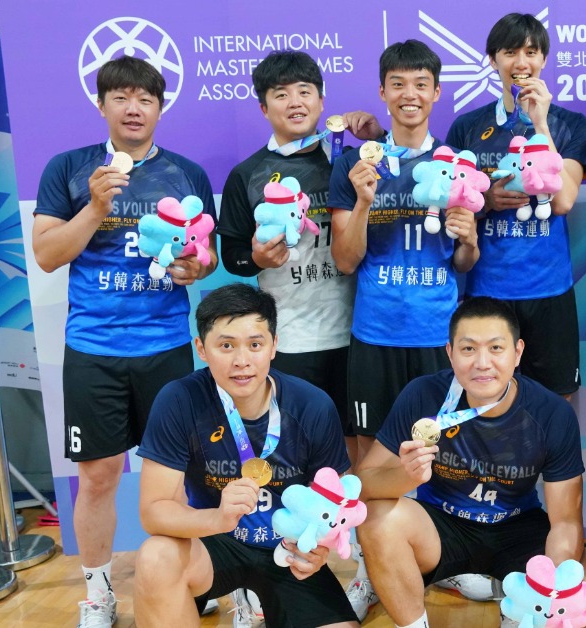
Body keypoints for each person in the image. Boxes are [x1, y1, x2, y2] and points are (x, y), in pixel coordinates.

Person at [31, 55, 216, 627]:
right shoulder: (69, 168)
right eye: (121, 97)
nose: (134, 109)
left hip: (166, 347)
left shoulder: (186, 173)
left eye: (145, 99)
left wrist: (195, 267)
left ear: (160, 107)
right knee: (98, 475)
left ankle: (190, 578)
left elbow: (204, 255)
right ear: (102, 104)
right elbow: (47, 254)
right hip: (94, 349)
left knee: (179, 475)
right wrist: (95, 207)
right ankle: (98, 593)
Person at [216, 49, 370, 621]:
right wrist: (255, 256)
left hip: (355, 334)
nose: (295, 102)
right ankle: (254, 579)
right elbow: (231, 255)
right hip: (288, 341)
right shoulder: (247, 174)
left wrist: (372, 137)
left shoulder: (349, 161)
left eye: (305, 91)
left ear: (322, 100)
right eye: (280, 94)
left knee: (356, 461)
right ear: (264, 107)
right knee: (278, 461)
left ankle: (367, 571)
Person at [354, 297, 586, 628]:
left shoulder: (551, 413)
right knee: (376, 519)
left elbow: (565, 522)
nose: (482, 363)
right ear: (450, 353)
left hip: (517, 527)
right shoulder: (423, 394)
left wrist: (550, 587)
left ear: (517, 352)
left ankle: (516, 607)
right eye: (468, 349)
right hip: (441, 527)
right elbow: (363, 482)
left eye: (496, 348)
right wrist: (407, 476)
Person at [132, 283, 358, 628]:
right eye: (226, 345)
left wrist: (319, 549)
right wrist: (218, 519)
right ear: (201, 348)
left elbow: (336, 501)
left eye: (255, 344)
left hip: (287, 549)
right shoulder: (179, 400)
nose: (242, 361)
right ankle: (240, 595)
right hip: (214, 544)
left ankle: (261, 598)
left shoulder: (312, 405)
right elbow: (154, 511)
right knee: (155, 557)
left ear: (274, 345)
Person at [328, 39, 479, 462]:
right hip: (375, 332)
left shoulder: (457, 164)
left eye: (420, 84)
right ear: (382, 92)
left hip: (437, 333)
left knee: (443, 453)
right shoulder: (354, 165)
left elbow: (464, 262)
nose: (409, 95)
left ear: (437, 92)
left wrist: (469, 239)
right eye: (397, 84)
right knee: (370, 455)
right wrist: (363, 202)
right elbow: (345, 261)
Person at [447, 12, 586, 403]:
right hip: (488, 290)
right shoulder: (467, 126)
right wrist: (487, 201)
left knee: (558, 403)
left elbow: (563, 201)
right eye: (510, 52)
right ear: (493, 60)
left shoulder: (570, 124)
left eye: (531, 52)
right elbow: (454, 207)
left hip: (550, 289)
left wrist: (540, 124)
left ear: (544, 58)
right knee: (486, 400)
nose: (521, 62)